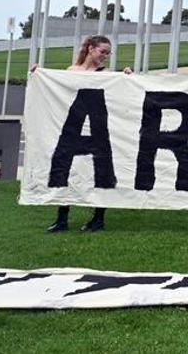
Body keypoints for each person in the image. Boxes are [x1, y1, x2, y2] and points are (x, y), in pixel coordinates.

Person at [44, 35, 130, 233]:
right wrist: (38, 74)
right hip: (74, 127)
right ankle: (62, 218)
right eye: (102, 52)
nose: (105, 57)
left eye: (108, 53)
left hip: (97, 128)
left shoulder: (106, 74)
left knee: (102, 172)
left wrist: (125, 76)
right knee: (67, 170)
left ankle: (98, 218)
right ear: (91, 49)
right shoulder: (71, 72)